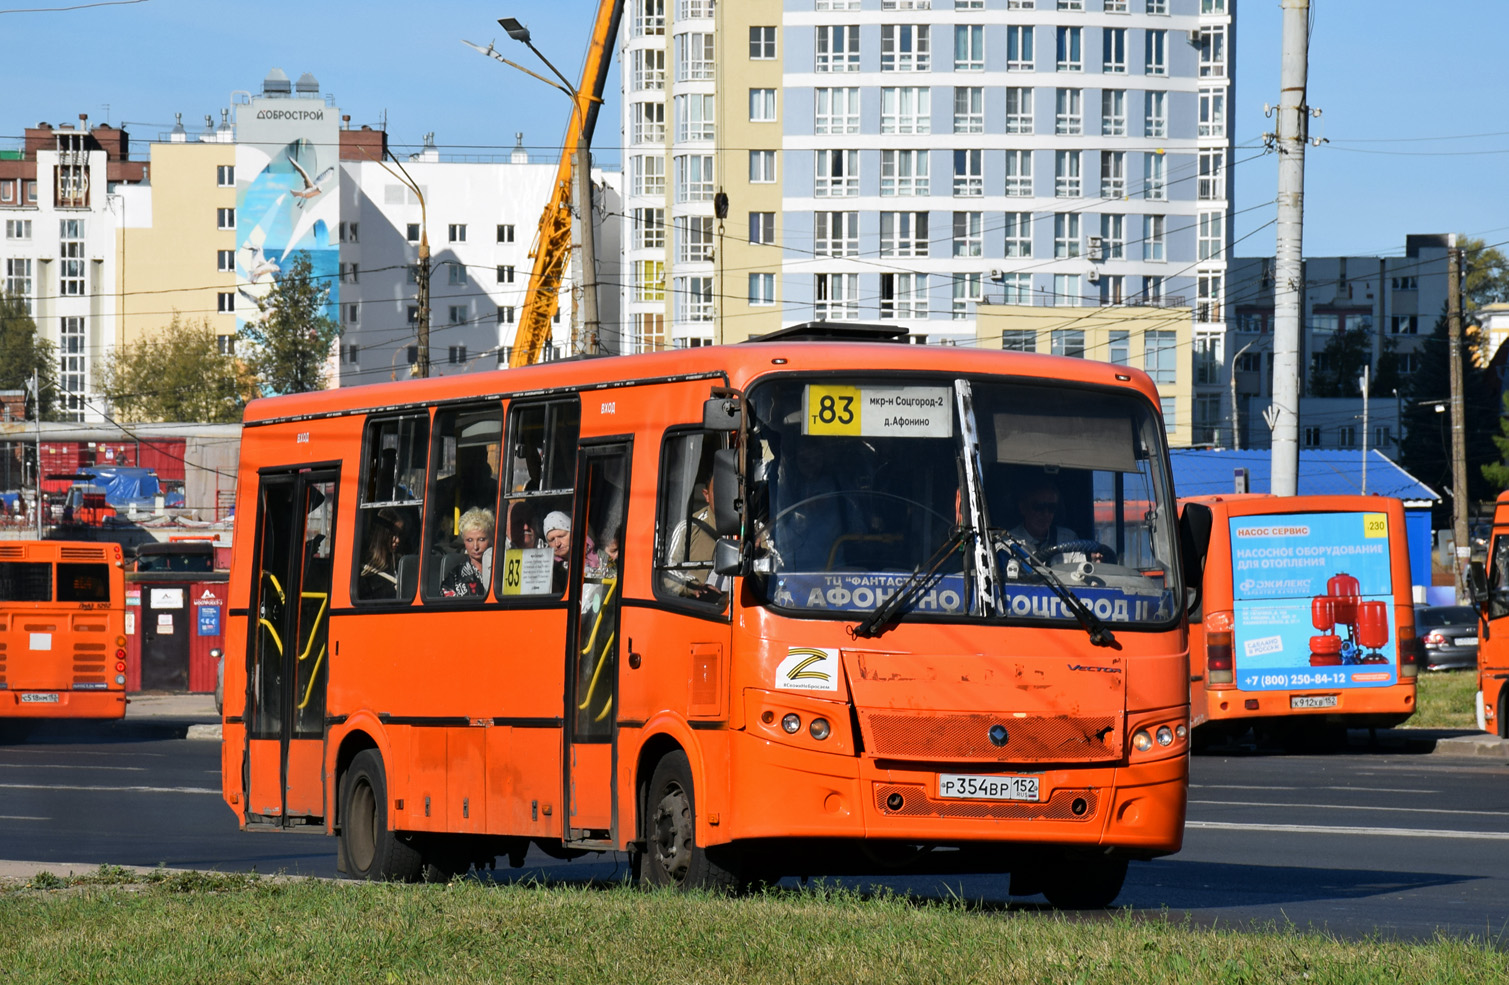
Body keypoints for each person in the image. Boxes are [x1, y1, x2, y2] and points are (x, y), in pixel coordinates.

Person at [1006, 475, 1081, 557]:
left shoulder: (1069, 540)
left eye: (1051, 508)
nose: (1046, 513)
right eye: (1039, 507)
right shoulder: (1007, 543)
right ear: (1023, 508)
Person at [440, 507, 493, 598]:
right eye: (469, 540)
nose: (475, 546)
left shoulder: (502, 569)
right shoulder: (455, 578)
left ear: (491, 539)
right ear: (464, 541)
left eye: (481, 539)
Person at [358, 508, 407, 599]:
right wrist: (393, 591)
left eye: (399, 535)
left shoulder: (400, 562)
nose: (398, 540)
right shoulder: (365, 568)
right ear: (383, 534)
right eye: (393, 534)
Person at [542, 510, 572, 592]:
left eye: (561, 536)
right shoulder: (548, 568)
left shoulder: (599, 557)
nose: (557, 543)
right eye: (551, 540)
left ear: (573, 533)